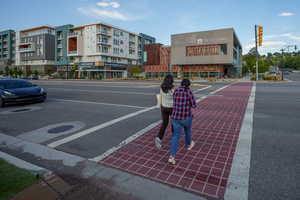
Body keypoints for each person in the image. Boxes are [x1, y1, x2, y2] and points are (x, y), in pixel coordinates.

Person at [168, 79, 197, 165]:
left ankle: (172, 156)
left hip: (175, 117)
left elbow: (174, 101)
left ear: (181, 84)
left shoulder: (176, 90)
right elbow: (194, 105)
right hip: (185, 117)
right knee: (187, 130)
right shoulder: (189, 92)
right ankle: (188, 144)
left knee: (175, 136)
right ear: (188, 85)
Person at [155, 74, 174, 149]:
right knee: (173, 123)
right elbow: (174, 96)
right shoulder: (172, 88)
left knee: (164, 123)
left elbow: (160, 96)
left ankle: (159, 138)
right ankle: (174, 137)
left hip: (163, 107)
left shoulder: (162, 87)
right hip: (172, 107)